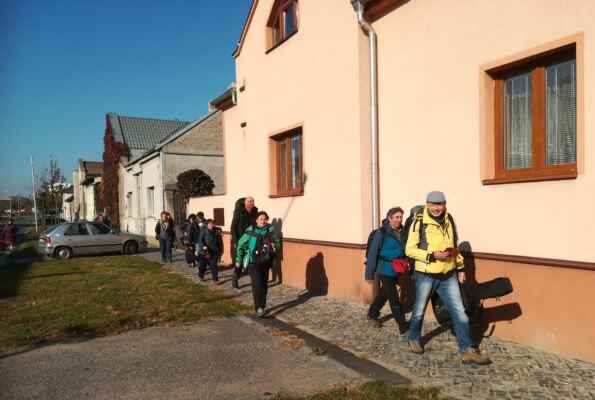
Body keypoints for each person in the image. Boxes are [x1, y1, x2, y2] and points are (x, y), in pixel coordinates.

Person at [405, 191, 490, 365]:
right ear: (427, 204)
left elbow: (454, 246)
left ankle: (467, 350)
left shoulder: (449, 219)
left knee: (460, 312)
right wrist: (432, 255)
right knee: (419, 310)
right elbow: (409, 250)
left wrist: (460, 267)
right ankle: (413, 338)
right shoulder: (419, 222)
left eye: (440, 204)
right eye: (433, 204)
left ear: (444, 204)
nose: (437, 208)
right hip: (426, 274)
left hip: (448, 275)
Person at [365, 207, 409, 334]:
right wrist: (369, 274)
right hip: (384, 269)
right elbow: (373, 253)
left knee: (384, 293)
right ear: (389, 218)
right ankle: (402, 325)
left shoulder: (402, 232)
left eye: (400, 217)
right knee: (394, 298)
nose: (399, 220)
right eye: (396, 217)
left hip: (397, 269)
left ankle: (372, 313)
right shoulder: (381, 232)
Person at [235, 211, 279, 317]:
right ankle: (258, 308)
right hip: (253, 261)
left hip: (266, 261)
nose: (263, 221)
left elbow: (278, 243)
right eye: (261, 219)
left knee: (263, 285)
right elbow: (240, 245)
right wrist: (238, 259)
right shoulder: (251, 231)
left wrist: (275, 245)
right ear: (256, 220)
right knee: (257, 284)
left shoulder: (270, 230)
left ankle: (262, 306)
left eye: (265, 219)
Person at [230, 197, 258, 289]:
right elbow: (233, 227)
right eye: (249, 201)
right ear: (245, 203)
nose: (251, 203)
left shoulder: (255, 212)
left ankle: (253, 279)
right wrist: (236, 241)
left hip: (252, 240)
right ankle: (235, 278)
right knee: (239, 261)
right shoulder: (239, 212)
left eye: (252, 201)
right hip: (241, 240)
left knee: (251, 260)